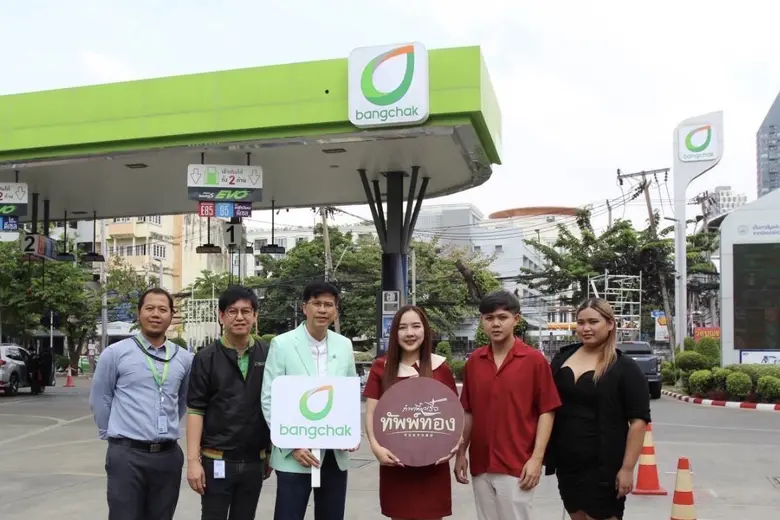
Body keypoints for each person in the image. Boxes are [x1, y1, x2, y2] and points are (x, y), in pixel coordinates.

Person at [455, 290, 561, 520]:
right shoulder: (474, 362)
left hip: (517, 463)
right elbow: (469, 411)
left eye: (502, 317)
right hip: (481, 462)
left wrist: (536, 459)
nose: (495, 324)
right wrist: (461, 453)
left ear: (516, 319)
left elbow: (547, 411)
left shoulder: (534, 361)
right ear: (482, 321)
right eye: (489, 318)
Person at [89, 288, 193, 520]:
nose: (156, 314)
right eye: (149, 308)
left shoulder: (184, 358)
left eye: (162, 309)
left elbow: (182, 400)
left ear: (171, 315)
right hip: (127, 456)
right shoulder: (115, 353)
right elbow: (101, 398)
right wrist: (115, 438)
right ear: (139, 313)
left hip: (168, 457)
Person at [544, 298, 651, 520]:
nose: (586, 328)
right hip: (568, 463)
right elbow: (547, 404)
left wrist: (628, 468)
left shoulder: (625, 368)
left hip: (604, 466)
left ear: (610, 324)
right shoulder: (563, 357)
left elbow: (638, 422)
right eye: (581, 322)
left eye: (594, 322)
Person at [261, 281, 359, 520]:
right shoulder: (282, 344)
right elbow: (269, 398)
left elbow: (348, 394)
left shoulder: (344, 345)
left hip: (334, 454)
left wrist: (351, 433)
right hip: (296, 454)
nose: (323, 310)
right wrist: (292, 443)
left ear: (335, 310)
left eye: (329, 305)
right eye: (317, 304)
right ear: (304, 308)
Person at [363, 305, 460, 520]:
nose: (410, 333)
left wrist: (454, 445)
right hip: (396, 465)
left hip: (433, 468)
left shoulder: (440, 368)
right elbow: (371, 413)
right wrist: (376, 447)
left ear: (425, 331)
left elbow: (454, 415)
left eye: (416, 326)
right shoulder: (381, 367)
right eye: (403, 327)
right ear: (394, 332)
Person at [186, 285, 273, 520]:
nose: (240, 317)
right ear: (221, 316)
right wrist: (193, 462)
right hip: (216, 460)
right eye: (232, 311)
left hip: (255, 461)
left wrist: (270, 452)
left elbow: (275, 405)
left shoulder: (269, 354)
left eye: (246, 311)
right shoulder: (206, 358)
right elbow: (195, 410)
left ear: (255, 316)